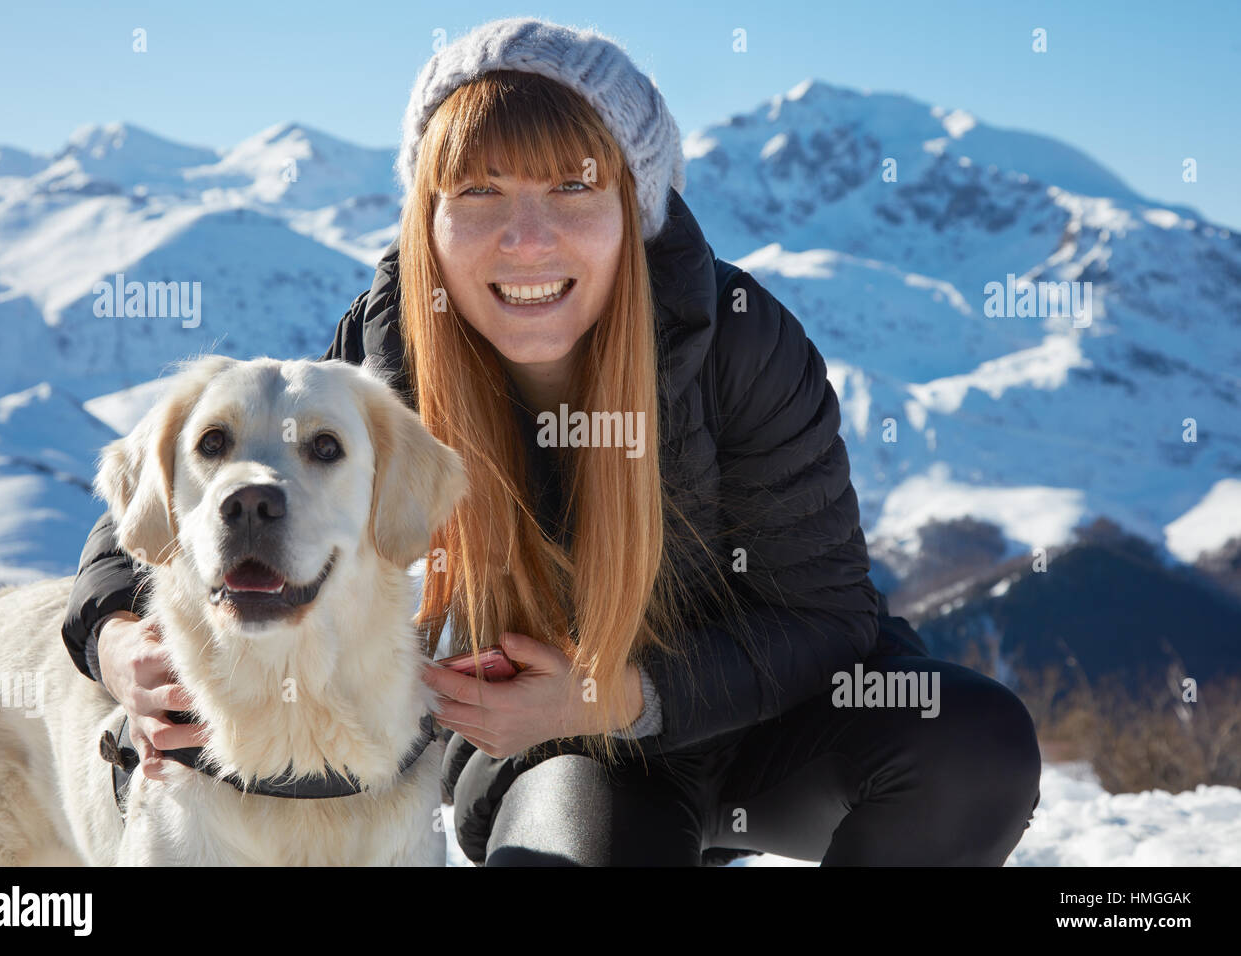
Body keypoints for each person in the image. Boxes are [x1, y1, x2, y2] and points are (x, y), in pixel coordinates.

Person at [61, 16, 1041, 866]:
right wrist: (117, 644)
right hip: (546, 752)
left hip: (767, 724)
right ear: (429, 222)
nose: (525, 238)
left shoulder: (738, 339)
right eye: (478, 192)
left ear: (634, 208)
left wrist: (618, 694)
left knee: (971, 742)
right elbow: (176, 490)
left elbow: (823, 615)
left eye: (572, 188)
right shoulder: (389, 347)